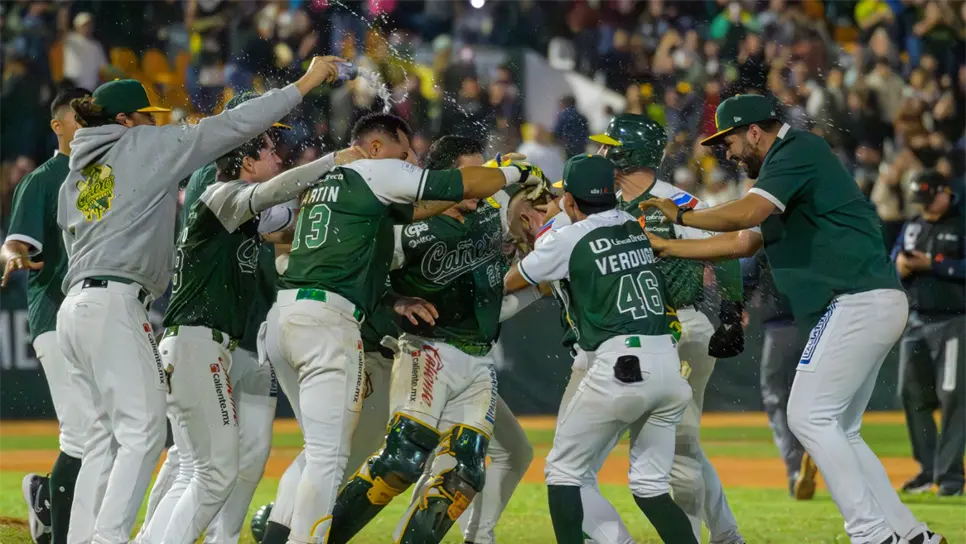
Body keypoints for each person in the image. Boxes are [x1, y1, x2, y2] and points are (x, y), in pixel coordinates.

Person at [54, 57, 346, 544]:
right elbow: (231, 126)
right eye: (147, 115)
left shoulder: (77, 172)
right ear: (127, 121)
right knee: (146, 438)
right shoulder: (141, 145)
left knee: (105, 440)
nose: (156, 122)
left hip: (77, 306)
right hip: (117, 302)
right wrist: (305, 83)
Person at [638, 93, 947, 544]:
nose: (727, 153)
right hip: (867, 300)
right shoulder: (788, 167)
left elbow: (748, 213)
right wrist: (668, 246)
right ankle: (910, 534)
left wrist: (686, 215)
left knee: (808, 416)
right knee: (840, 427)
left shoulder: (796, 150)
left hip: (857, 299)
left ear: (756, 132)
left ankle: (872, 534)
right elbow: (744, 243)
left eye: (730, 142)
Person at [267, 112, 545, 544]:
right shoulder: (402, 226)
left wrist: (526, 219)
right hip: (417, 349)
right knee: (396, 460)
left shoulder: (490, 210)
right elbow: (349, 265)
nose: (481, 186)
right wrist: (395, 300)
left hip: (477, 357)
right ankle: (292, 530)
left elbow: (541, 202)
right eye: (470, 176)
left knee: (463, 472)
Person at [138, 90, 363, 543]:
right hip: (200, 341)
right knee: (211, 471)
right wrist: (333, 161)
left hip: (203, 341)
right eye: (265, 147)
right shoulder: (219, 189)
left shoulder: (228, 193)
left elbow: (279, 220)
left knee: (202, 470)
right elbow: (273, 196)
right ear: (242, 156)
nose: (276, 155)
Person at [505, 154, 696, 544]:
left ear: (571, 201)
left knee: (563, 472)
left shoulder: (568, 238)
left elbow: (511, 282)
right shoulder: (631, 224)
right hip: (668, 365)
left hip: (621, 365)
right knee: (650, 487)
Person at [593, 113, 747, 542]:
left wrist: (732, 311)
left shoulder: (677, 203)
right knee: (684, 445)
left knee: (678, 444)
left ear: (629, 153)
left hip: (679, 325)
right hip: (626, 334)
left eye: (609, 146)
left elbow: (728, 248)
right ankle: (727, 535)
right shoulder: (602, 199)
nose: (602, 153)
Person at [1, 86, 91, 544]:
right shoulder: (44, 179)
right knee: (82, 433)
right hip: (55, 317)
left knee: (110, 431)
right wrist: (12, 253)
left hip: (99, 320)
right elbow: (14, 240)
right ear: (58, 126)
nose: (90, 119)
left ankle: (46, 498)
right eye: (80, 115)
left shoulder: (105, 175)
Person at [893, 169, 966, 498]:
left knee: (953, 397)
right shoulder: (912, 225)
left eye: (928, 199)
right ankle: (927, 469)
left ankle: (950, 478)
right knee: (911, 395)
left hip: (954, 320)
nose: (923, 207)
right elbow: (891, 259)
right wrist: (900, 265)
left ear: (944, 191)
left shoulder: (961, 222)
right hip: (916, 319)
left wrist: (934, 265)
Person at [742, 250, 812, 499]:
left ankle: (796, 468)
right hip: (821, 325)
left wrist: (738, 302)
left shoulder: (767, 235)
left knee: (776, 397)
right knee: (815, 398)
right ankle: (828, 457)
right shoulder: (815, 232)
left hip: (781, 327)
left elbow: (747, 271)